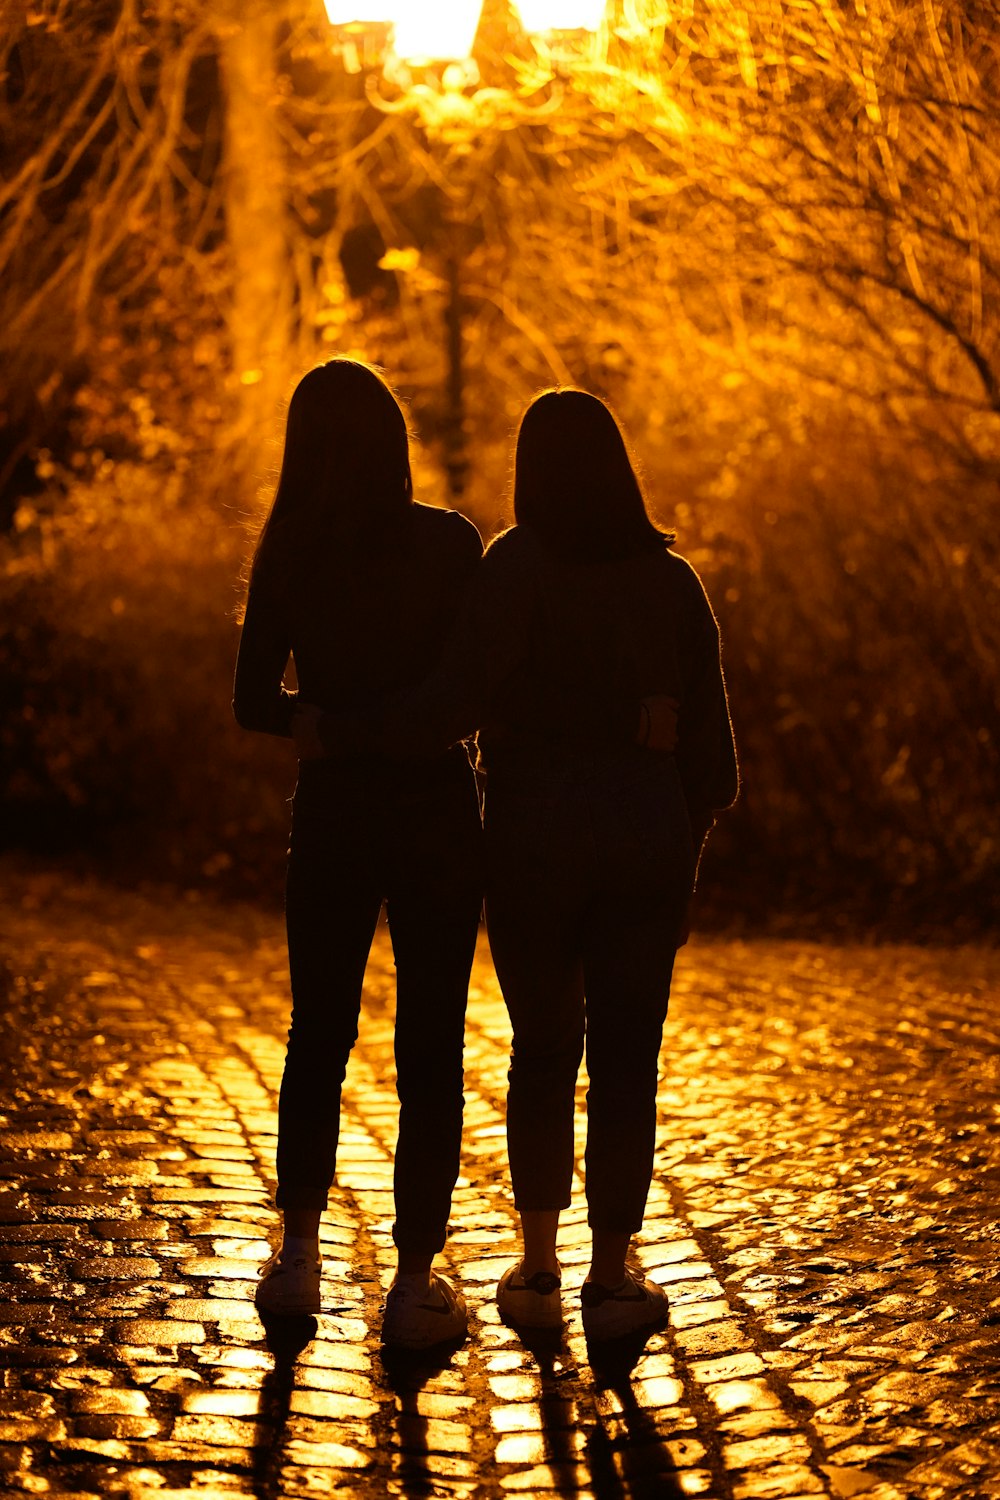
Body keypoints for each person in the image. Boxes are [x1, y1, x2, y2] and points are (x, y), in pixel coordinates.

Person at [324, 387, 738, 1344]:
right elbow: (714, 764)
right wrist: (683, 845)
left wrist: (351, 729)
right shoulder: (670, 583)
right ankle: (615, 1272)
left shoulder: (512, 569)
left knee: (544, 1054)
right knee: (630, 1064)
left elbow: (452, 700)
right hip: (643, 844)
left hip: (532, 850)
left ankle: (540, 1262)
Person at [232, 359, 484, 1350]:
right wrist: (406, 731)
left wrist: (331, 728)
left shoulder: (292, 546)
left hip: (336, 808)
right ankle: (415, 1279)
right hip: (433, 809)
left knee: (318, 1032)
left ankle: (297, 1256)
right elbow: (476, 689)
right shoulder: (450, 543)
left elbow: (253, 702)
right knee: (433, 1046)